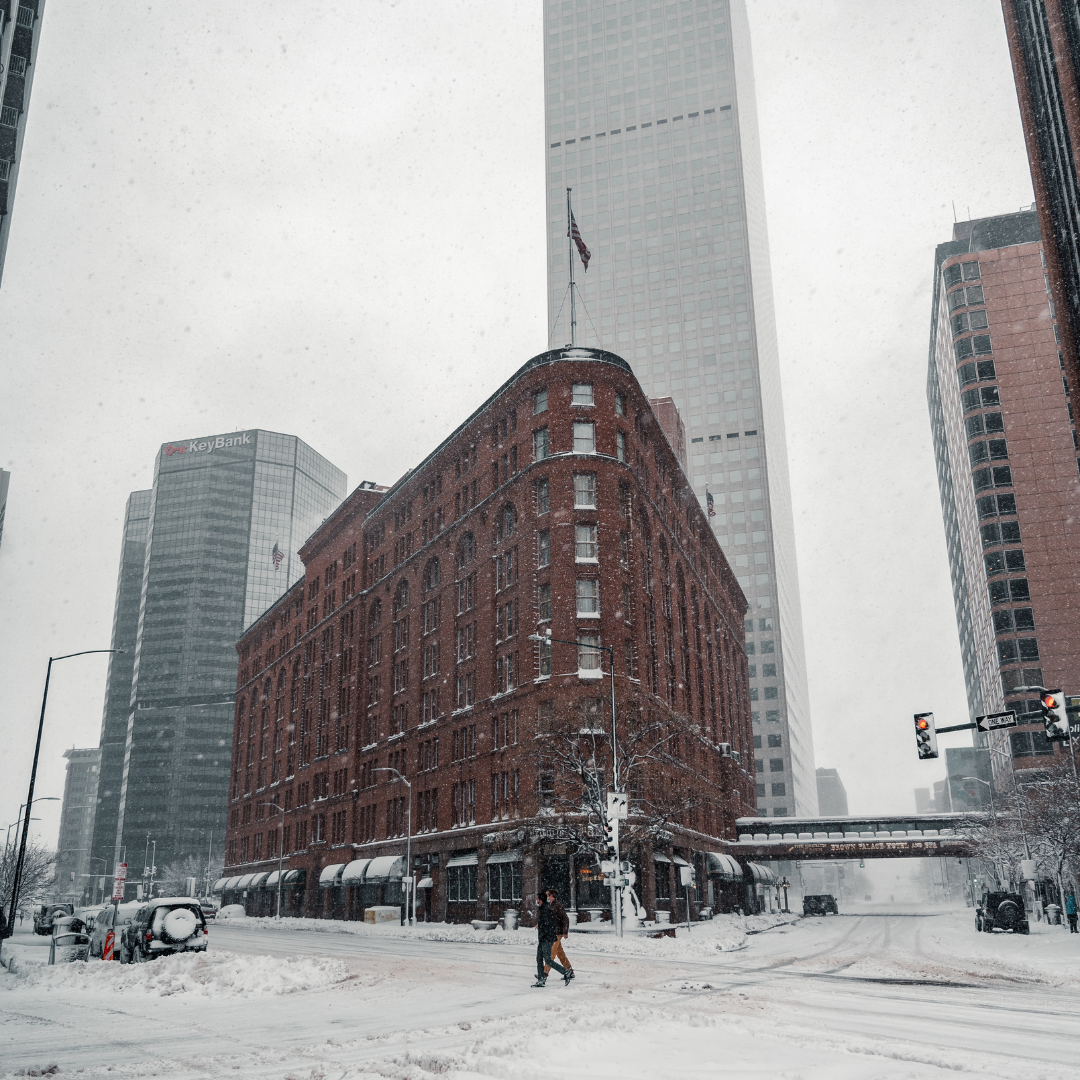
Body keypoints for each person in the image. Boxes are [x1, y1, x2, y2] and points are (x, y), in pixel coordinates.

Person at [532, 892, 569, 987]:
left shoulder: (546, 910)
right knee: (539, 959)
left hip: (546, 939)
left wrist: (545, 935)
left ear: (541, 900)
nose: (536, 901)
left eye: (537, 899)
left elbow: (551, 925)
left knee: (548, 960)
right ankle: (541, 980)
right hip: (543, 938)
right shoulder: (544, 909)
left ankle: (566, 971)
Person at [544, 888, 574, 982]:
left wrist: (565, 932)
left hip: (557, 933)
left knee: (551, 953)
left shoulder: (558, 906)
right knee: (560, 953)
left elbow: (565, 919)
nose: (546, 897)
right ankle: (569, 971)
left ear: (551, 896)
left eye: (547, 895)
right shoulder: (550, 906)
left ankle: (544, 974)